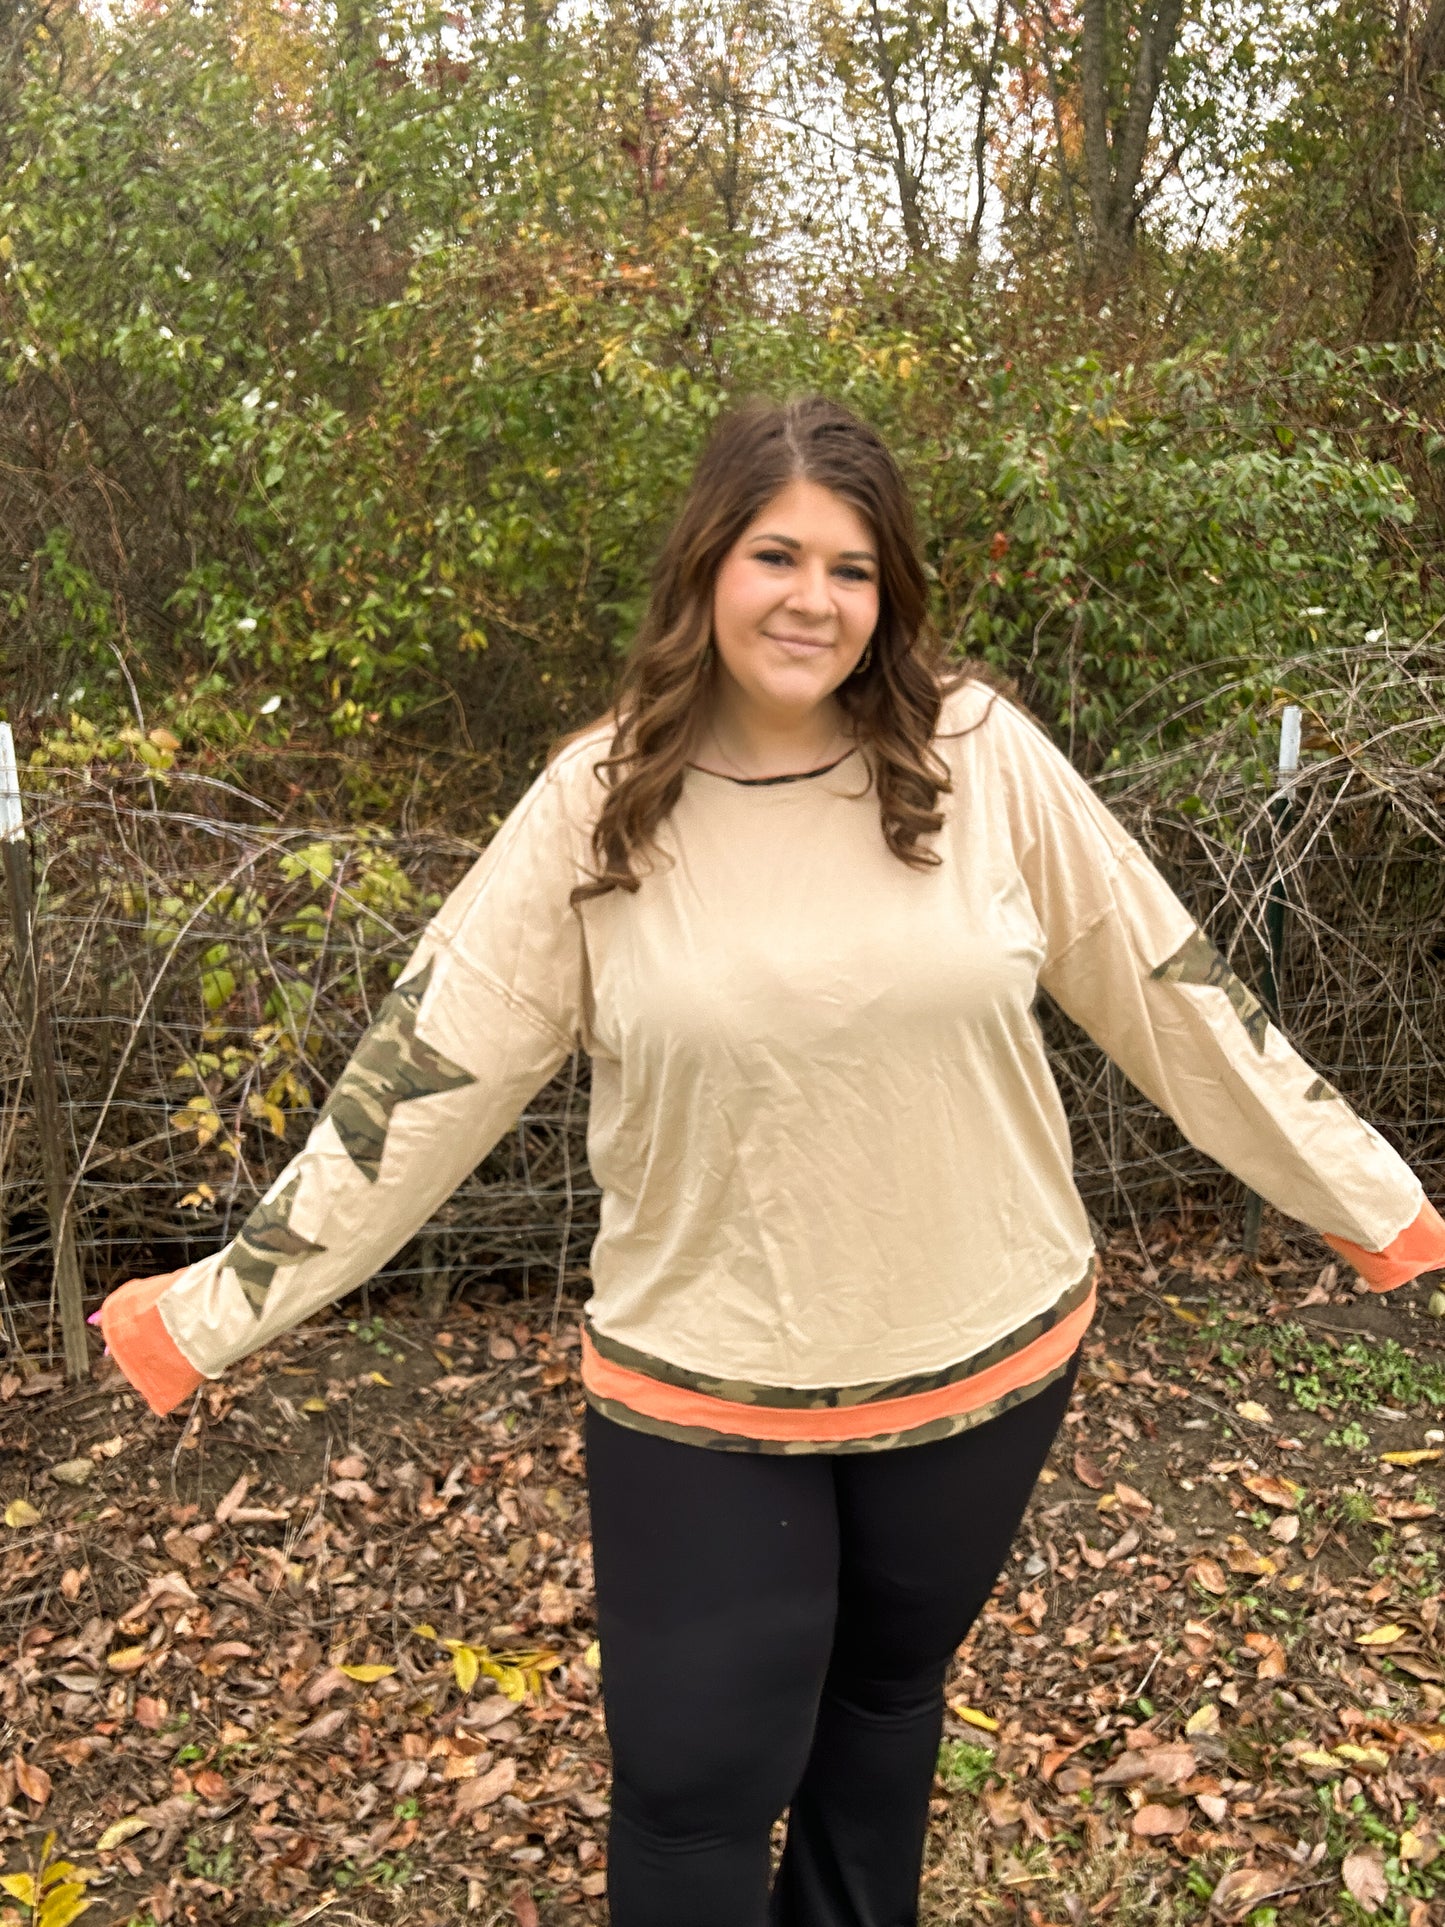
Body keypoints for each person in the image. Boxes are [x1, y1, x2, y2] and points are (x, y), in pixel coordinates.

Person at [98, 396, 1445, 1926]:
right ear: (706, 565)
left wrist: (1367, 1196)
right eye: (776, 555)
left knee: (881, 1709)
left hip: (984, 1354)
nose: (814, 599)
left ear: (890, 594)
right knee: (691, 1789)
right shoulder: (597, 802)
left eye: (852, 568)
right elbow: (423, 1077)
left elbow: (1168, 987)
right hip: (703, 1383)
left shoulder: (977, 757)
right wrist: (219, 1307)